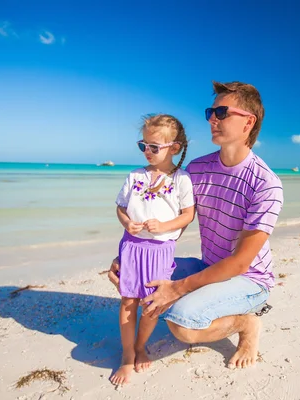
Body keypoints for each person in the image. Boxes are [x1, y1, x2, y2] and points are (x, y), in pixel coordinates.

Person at [109, 81, 283, 370]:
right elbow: (171, 217)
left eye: (222, 112)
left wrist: (177, 288)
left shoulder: (265, 184)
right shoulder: (198, 170)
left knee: (183, 325)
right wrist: (129, 256)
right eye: (210, 112)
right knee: (144, 278)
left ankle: (246, 323)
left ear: (248, 122)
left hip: (249, 279)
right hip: (209, 266)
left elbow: (240, 263)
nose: (212, 119)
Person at [109, 114, 195, 386]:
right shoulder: (134, 175)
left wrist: (164, 225)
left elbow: (188, 215)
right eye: (143, 145)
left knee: (150, 304)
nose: (147, 151)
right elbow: (121, 207)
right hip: (132, 246)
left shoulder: (181, 180)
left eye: (154, 147)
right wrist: (127, 222)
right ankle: (126, 354)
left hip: (160, 250)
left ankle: (141, 345)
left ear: (175, 148)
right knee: (127, 301)